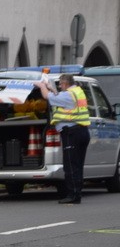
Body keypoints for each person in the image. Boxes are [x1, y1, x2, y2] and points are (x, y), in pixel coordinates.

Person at [36, 73, 90, 204]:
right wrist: (52, 88)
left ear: (65, 84)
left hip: (72, 133)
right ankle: (77, 193)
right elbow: (59, 97)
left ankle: (73, 195)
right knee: (77, 165)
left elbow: (47, 96)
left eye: (60, 84)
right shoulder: (76, 91)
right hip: (81, 131)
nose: (59, 86)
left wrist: (42, 86)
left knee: (70, 165)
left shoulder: (67, 95)